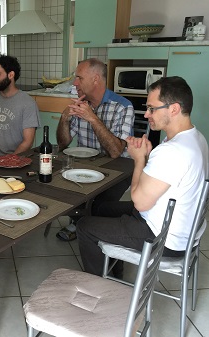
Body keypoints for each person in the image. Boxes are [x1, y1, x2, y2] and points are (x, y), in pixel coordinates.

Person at [76, 76, 209, 276]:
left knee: (85, 226)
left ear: (173, 109)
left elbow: (140, 203)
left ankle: (99, 288)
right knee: (99, 207)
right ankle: (114, 271)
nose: (146, 114)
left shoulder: (172, 151)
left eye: (152, 108)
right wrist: (147, 157)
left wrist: (139, 159)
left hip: (162, 236)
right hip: (175, 224)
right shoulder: (195, 137)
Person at [55, 58, 135, 241]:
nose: (75, 83)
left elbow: (115, 151)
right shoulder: (82, 104)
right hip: (85, 164)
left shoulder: (123, 106)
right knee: (60, 184)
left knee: (100, 203)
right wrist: (64, 119)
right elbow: (63, 144)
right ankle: (81, 222)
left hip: (118, 168)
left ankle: (90, 228)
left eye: (79, 78)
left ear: (96, 79)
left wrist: (92, 118)